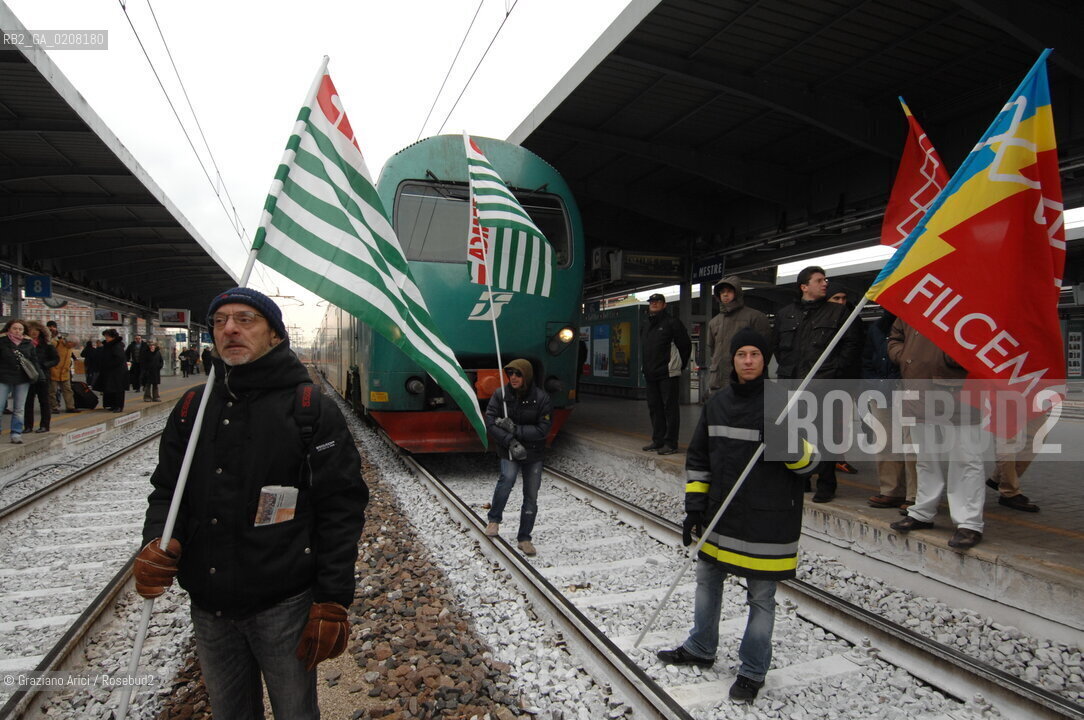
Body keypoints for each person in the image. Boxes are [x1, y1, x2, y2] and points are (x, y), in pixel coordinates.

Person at [134, 287, 368, 720]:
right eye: (220, 321)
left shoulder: (309, 409)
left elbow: (341, 507)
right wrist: (157, 541)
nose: (230, 330)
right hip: (209, 604)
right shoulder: (191, 407)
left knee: (295, 711)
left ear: (275, 335)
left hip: (284, 603)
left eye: (245, 319)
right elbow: (169, 489)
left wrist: (333, 598)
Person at [657, 328, 819, 702]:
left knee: (761, 598)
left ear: (765, 360)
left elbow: (811, 463)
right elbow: (699, 459)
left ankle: (751, 670)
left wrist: (786, 442)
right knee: (706, 581)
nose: (748, 361)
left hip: (768, 521)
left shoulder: (787, 405)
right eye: (742, 354)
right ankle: (701, 647)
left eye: (755, 355)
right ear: (732, 359)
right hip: (721, 515)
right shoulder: (717, 403)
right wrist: (694, 508)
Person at [887, 318, 985, 549]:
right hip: (919, 391)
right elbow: (895, 336)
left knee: (967, 459)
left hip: (959, 392)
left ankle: (969, 523)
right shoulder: (912, 306)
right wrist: (905, 356)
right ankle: (922, 511)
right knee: (925, 458)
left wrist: (944, 358)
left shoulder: (966, 299)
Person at [770, 266, 863, 503]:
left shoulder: (838, 313)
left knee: (825, 434)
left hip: (824, 384)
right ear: (804, 287)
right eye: (819, 280)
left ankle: (826, 483)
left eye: (825, 280)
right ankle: (802, 478)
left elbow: (851, 345)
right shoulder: (785, 314)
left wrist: (833, 370)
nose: (825, 284)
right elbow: (779, 347)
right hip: (792, 384)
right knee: (798, 433)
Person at [484, 358, 553, 556]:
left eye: (518, 374)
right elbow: (491, 421)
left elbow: (543, 428)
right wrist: (510, 441)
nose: (513, 377)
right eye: (510, 373)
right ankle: (494, 520)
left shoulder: (542, 398)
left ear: (527, 376)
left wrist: (516, 429)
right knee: (507, 480)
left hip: (534, 452)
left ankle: (524, 538)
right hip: (509, 450)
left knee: (531, 495)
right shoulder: (501, 395)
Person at [861, 311, 916, 509]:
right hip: (881, 391)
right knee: (885, 442)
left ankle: (914, 495)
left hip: (907, 390)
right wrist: (873, 384)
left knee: (911, 445)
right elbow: (867, 358)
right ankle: (891, 490)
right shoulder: (877, 327)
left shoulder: (915, 325)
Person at [640, 293, 691, 455]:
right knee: (654, 407)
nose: (654, 304)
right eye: (652, 302)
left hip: (667, 373)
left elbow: (685, 346)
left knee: (670, 408)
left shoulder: (672, 323)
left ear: (664, 304)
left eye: (657, 302)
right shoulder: (647, 324)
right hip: (650, 373)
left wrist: (677, 366)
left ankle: (671, 443)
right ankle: (658, 440)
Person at [704, 275, 771, 396]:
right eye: (722, 292)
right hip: (718, 382)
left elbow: (766, 350)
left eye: (729, 291)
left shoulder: (755, 317)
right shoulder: (714, 322)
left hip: (744, 382)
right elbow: (713, 351)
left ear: (738, 293)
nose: (725, 294)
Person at [0, 319, 36, 444]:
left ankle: (16, 433)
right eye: (15, 328)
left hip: (22, 378)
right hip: (3, 377)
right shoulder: (2, 341)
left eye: (20, 329)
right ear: (9, 329)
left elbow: (33, 361)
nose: (17, 331)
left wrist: (38, 376)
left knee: (19, 408)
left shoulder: (28, 343)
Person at [23, 321, 58, 433]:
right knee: (28, 402)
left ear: (41, 332)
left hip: (43, 376)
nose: (34, 332)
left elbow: (56, 359)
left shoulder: (47, 345)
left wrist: (45, 365)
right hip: (28, 376)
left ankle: (44, 425)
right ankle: (28, 426)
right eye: (31, 330)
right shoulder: (24, 345)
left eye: (36, 330)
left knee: (44, 401)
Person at [96, 329, 128, 412]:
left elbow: (119, 358)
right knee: (111, 388)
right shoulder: (109, 345)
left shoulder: (116, 346)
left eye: (107, 336)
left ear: (112, 337)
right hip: (111, 371)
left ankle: (119, 406)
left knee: (118, 389)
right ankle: (113, 405)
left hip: (117, 372)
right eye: (105, 336)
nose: (106, 338)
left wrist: (109, 365)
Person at [50, 335, 80, 414]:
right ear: (69, 342)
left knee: (68, 390)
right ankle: (53, 407)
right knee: (52, 391)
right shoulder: (55, 344)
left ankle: (70, 407)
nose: (73, 347)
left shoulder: (69, 348)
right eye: (73, 345)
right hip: (54, 371)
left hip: (65, 372)